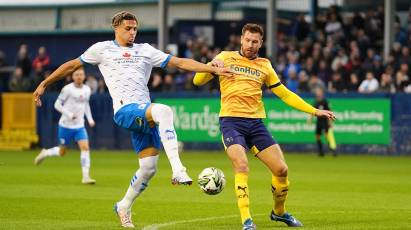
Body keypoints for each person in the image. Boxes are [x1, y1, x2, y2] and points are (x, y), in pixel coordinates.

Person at [33, 11, 232, 228]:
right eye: (128, 28)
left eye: (135, 28)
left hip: (142, 111)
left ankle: (123, 205)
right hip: (125, 111)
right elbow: (71, 66)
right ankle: (178, 170)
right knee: (164, 111)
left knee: (148, 168)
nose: (132, 32)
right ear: (116, 27)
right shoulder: (101, 49)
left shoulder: (145, 50)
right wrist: (44, 84)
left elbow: (180, 62)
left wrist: (210, 69)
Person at [193, 23, 335, 229]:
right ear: (241, 39)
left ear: (261, 43)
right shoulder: (224, 57)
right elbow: (198, 81)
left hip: (256, 124)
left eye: (255, 41)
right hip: (231, 122)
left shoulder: (264, 65)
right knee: (241, 165)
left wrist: (314, 111)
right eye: (248, 40)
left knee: (281, 170)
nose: (250, 45)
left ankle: (279, 212)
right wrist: (210, 67)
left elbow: (285, 93)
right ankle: (247, 220)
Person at [34, 68, 96, 184]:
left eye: (81, 74)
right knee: (63, 152)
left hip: (79, 126)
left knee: (85, 147)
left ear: (84, 76)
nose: (79, 76)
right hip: (65, 125)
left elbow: (86, 104)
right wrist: (68, 114)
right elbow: (56, 104)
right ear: (72, 76)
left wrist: (90, 119)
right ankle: (45, 153)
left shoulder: (87, 89)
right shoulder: (67, 89)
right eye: (76, 74)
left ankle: (86, 177)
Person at [309, 88, 337, 157]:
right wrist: (310, 119)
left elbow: (329, 111)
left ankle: (332, 150)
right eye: (317, 92)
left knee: (327, 136)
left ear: (322, 93)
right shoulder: (315, 102)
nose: (318, 93)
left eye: (319, 92)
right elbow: (313, 111)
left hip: (325, 121)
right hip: (319, 121)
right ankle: (321, 151)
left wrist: (330, 122)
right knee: (317, 136)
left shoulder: (325, 101)